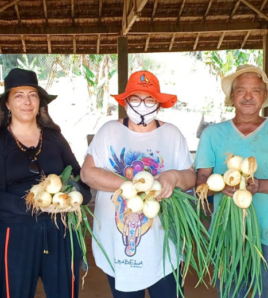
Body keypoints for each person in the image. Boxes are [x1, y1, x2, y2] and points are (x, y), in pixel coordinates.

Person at [81, 71, 196, 298]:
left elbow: (190, 177)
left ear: (159, 104)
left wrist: (172, 177)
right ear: (125, 103)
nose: (142, 105)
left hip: (164, 244)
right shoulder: (109, 131)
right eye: (135, 99)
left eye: (150, 99)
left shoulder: (171, 134)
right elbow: (87, 174)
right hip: (116, 244)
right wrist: (131, 185)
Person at [0, 68, 92, 298]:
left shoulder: (54, 137)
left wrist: (79, 196)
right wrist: (34, 205)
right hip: (16, 233)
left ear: (40, 102)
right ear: (7, 104)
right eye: (19, 95)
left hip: (60, 229)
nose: (27, 101)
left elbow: (78, 175)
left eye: (33, 95)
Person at [194, 65, 268, 298]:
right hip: (227, 232)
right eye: (241, 90)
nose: (248, 96)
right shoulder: (213, 134)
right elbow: (201, 179)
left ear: (264, 96)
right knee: (232, 293)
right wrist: (221, 185)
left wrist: (259, 185)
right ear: (232, 96)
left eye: (256, 91)